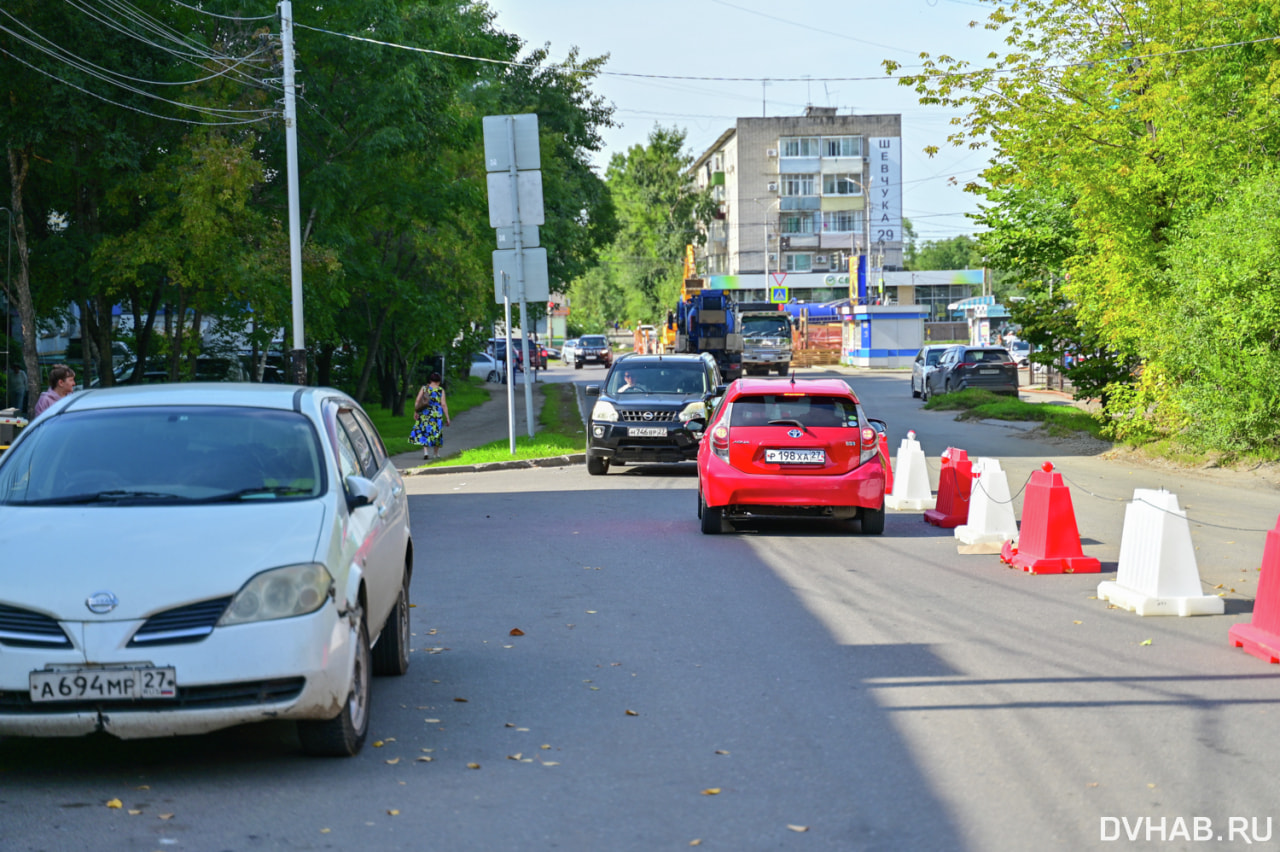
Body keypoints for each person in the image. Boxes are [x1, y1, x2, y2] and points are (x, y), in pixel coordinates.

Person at [410, 372, 450, 460]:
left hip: (425, 413)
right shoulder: (440, 390)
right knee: (436, 433)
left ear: (430, 380)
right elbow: (443, 404)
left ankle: (425, 452)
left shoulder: (424, 388)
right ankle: (436, 454)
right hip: (436, 414)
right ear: (438, 381)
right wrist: (447, 417)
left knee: (425, 431)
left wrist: (416, 411)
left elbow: (417, 400)